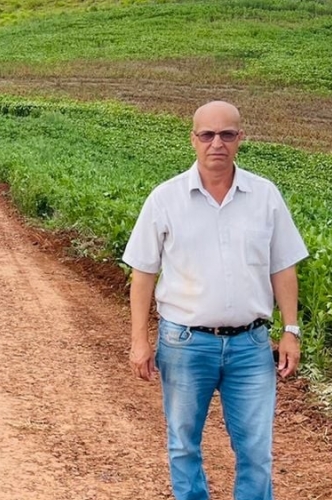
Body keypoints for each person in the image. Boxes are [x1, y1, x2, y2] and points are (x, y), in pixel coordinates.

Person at [122, 100, 308, 500]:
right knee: (184, 445)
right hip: (185, 343)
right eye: (207, 134)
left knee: (256, 452)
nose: (216, 143)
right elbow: (143, 273)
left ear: (241, 138)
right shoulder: (165, 199)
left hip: (252, 346)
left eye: (227, 134)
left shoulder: (265, 196)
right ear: (193, 139)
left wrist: (290, 330)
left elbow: (283, 268)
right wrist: (140, 339)